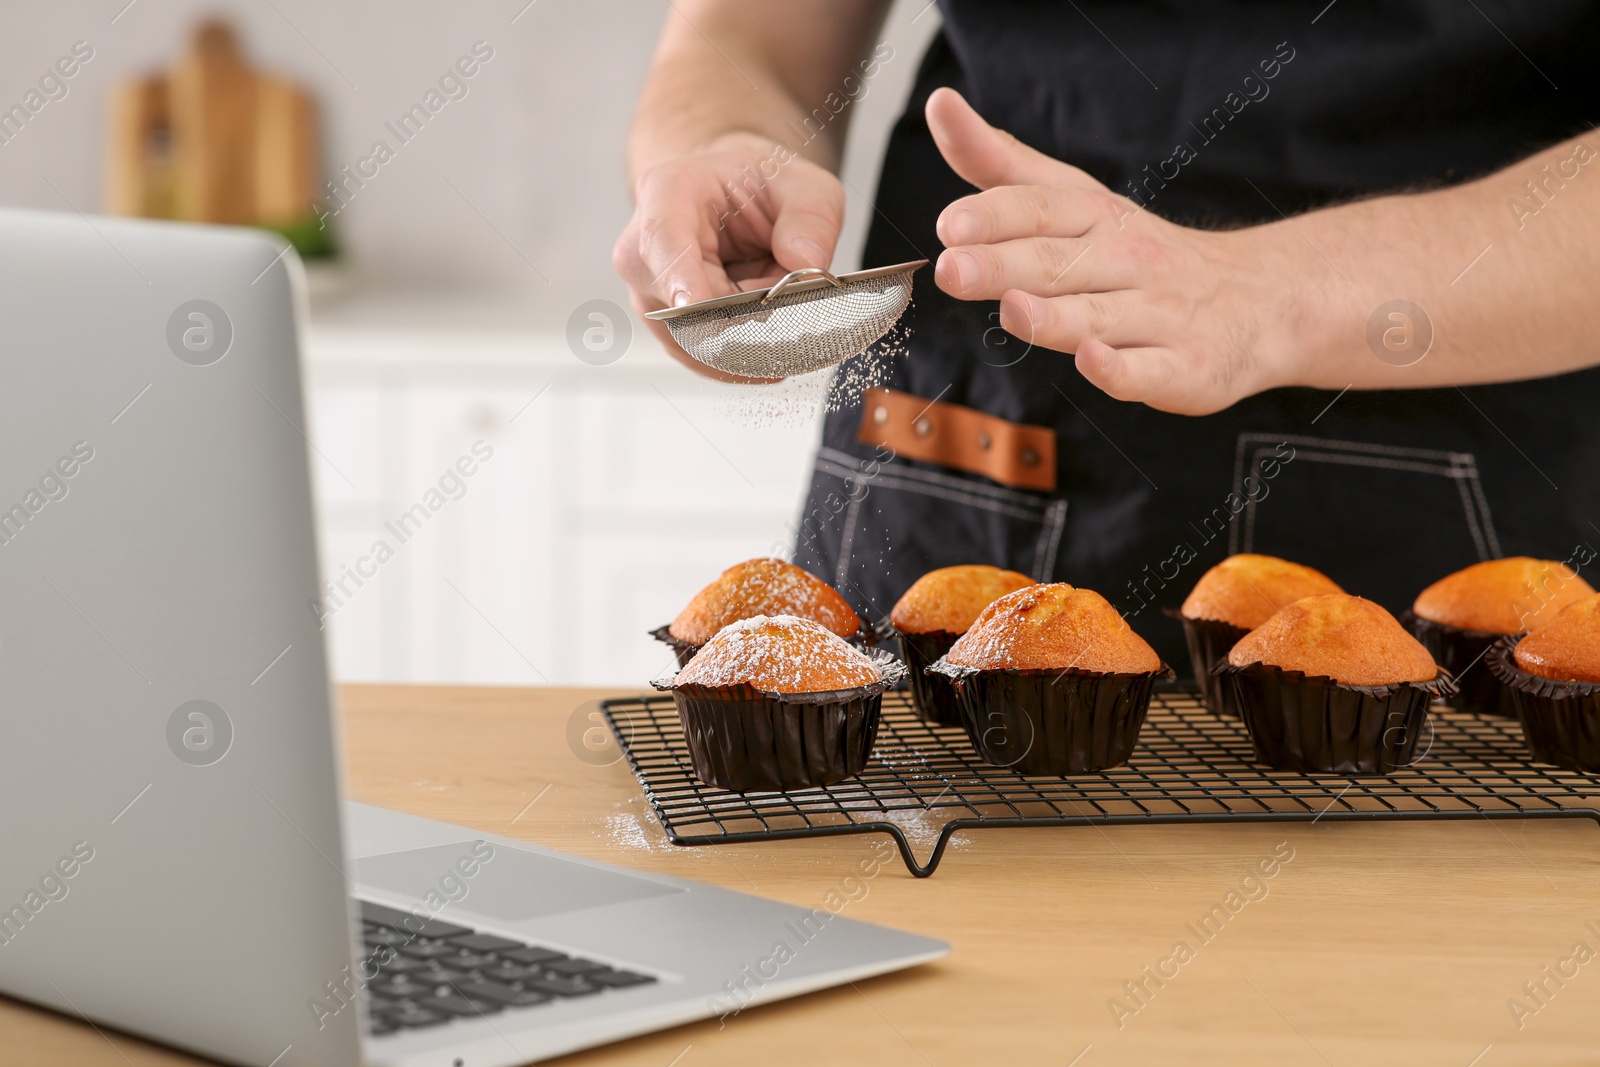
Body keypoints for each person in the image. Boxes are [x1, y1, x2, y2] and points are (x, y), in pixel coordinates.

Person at [614, 1, 1600, 667]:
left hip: (1471, 483)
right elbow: (746, 40)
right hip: (960, 427)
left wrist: (1272, 293)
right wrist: (719, 142)